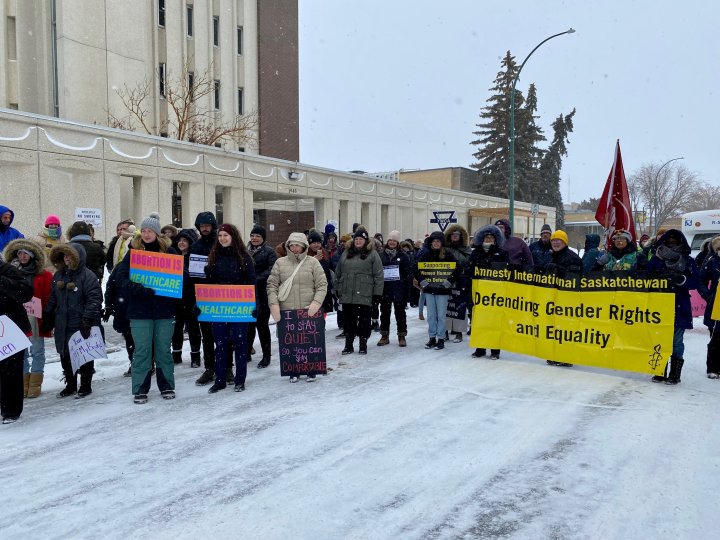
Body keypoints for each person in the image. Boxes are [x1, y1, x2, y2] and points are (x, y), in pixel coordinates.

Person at [115, 212, 178, 404]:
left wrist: (170, 288)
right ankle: (140, 388)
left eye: (151, 231)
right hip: (140, 311)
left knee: (163, 350)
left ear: (158, 233)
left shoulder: (170, 254)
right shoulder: (133, 254)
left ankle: (166, 385)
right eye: (144, 231)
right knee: (142, 350)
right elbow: (120, 278)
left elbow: (179, 279)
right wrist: (139, 289)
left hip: (164, 311)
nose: (147, 234)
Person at [43, 243, 103, 398]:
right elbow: (53, 298)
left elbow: (94, 299)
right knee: (65, 355)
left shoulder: (87, 275)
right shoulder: (59, 275)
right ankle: (70, 384)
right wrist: (48, 315)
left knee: (83, 354)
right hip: (63, 323)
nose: (67, 259)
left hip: (80, 322)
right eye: (64, 256)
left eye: (69, 255)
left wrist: (87, 319)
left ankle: (85, 385)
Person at [267, 232, 328, 381]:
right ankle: (293, 369)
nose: (294, 248)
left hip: (308, 310)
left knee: (309, 341)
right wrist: (273, 304)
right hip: (287, 311)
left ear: (303, 247)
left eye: (298, 245)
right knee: (291, 342)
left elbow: (322, 285)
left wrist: (316, 303)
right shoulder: (280, 263)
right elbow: (271, 285)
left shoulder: (313, 263)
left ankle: (311, 368)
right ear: (288, 246)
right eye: (292, 245)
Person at [204, 224, 256, 393]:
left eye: (226, 235)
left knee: (240, 344)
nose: (222, 238)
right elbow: (209, 286)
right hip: (219, 309)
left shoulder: (244, 258)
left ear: (233, 237)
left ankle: (240, 380)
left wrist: (254, 306)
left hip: (239, 309)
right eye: (220, 236)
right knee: (220, 345)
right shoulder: (213, 257)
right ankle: (220, 380)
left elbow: (251, 284)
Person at [646, 229, 698, 385]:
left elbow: (695, 280)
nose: (672, 242)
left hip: (679, 304)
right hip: (659, 305)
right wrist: (658, 279)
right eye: (669, 239)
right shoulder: (656, 259)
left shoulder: (688, 260)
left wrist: (681, 280)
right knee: (659, 338)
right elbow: (645, 277)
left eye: (675, 240)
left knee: (676, 341)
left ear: (681, 241)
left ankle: (674, 374)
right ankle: (659, 371)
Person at [3, 239, 53, 398]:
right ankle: (23, 383)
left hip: (36, 318)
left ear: (32, 255)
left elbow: (48, 297)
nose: (23, 256)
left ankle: (35, 382)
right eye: (20, 253)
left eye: (26, 253)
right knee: (21, 352)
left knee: (37, 350)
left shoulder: (43, 275)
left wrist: (47, 316)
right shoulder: (11, 273)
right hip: (17, 317)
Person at [334, 229, 384, 355]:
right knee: (348, 321)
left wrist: (377, 293)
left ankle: (363, 344)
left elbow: (378, 275)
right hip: (347, 293)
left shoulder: (372, 254)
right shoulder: (346, 252)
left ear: (365, 240)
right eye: (356, 239)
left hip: (364, 294)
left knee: (364, 322)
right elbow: (338, 272)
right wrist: (337, 289)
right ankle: (348, 345)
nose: (358, 241)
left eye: (361, 239)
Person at [415, 231, 461, 351]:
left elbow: (458, 268)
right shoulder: (426, 254)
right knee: (431, 315)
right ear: (431, 243)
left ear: (442, 243)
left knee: (441, 316)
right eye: (434, 241)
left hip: (442, 291)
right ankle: (432, 338)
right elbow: (415, 267)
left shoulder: (448, 254)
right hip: (430, 290)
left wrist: (449, 281)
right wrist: (422, 281)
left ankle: (440, 338)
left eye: (438, 241)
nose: (436, 243)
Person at [0, 258, 33, 423]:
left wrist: (3, 282)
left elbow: (26, 293)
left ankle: (11, 411)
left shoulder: (8, 270)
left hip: (10, 329)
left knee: (11, 370)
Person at [469, 225, 509, 359]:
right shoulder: (476, 252)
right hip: (479, 292)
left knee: (495, 321)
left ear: (496, 239)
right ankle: (480, 348)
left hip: (495, 293)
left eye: (491, 237)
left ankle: (495, 350)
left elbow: (506, 270)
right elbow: (471, 268)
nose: (489, 239)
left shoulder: (502, 252)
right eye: (487, 237)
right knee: (480, 320)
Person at [190, 211, 219, 386]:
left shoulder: (221, 242)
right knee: (207, 335)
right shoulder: (196, 246)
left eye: (207, 226)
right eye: (202, 226)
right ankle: (209, 368)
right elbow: (194, 275)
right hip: (203, 296)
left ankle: (227, 367)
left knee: (224, 335)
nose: (205, 229)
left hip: (223, 296)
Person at [545, 230, 582, 367]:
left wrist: (558, 269)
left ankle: (566, 356)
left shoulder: (572, 257)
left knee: (566, 328)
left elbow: (574, 277)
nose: (555, 242)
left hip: (568, 299)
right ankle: (555, 354)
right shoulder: (551, 256)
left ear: (564, 242)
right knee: (554, 327)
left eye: (558, 240)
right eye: (553, 240)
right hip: (553, 297)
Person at [246, 225, 276, 368]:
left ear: (263, 238)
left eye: (258, 236)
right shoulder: (244, 251)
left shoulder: (269, 252)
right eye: (253, 235)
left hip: (263, 293)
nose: (254, 238)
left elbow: (272, 270)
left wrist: (256, 279)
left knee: (262, 325)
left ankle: (266, 355)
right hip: (247, 294)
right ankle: (246, 351)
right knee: (248, 325)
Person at [172, 228, 202, 366]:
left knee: (193, 328)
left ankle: (195, 356)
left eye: (185, 241)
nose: (182, 243)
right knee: (176, 328)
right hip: (176, 298)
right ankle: (176, 354)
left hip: (191, 298)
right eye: (180, 240)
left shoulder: (195, 258)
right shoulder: (172, 256)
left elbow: (198, 279)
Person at [377, 230, 411, 347]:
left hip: (399, 288)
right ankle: (384, 335)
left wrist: (405, 288)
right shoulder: (381, 255)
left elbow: (407, 273)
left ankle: (401, 335)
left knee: (400, 313)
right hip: (385, 288)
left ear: (398, 242)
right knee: (384, 313)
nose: (392, 242)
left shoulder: (403, 256)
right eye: (390, 240)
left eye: (394, 240)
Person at [444, 225, 472, 342]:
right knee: (446, 306)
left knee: (460, 306)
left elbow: (468, 263)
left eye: (457, 235)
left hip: (461, 280)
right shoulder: (444, 249)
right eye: (453, 235)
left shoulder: (466, 249)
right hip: (446, 280)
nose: (454, 237)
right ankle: (445, 330)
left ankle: (459, 332)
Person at [698, 235, 720, 377]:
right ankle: (713, 368)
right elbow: (701, 280)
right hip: (716, 307)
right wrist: (708, 296)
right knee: (716, 337)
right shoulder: (712, 261)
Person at [307, 231, 334, 314]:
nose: (316, 245)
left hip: (325, 287)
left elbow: (330, 269)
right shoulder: (305, 255)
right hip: (311, 289)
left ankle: (322, 325)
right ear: (309, 244)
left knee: (324, 310)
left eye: (318, 242)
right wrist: (313, 261)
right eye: (314, 243)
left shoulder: (325, 253)